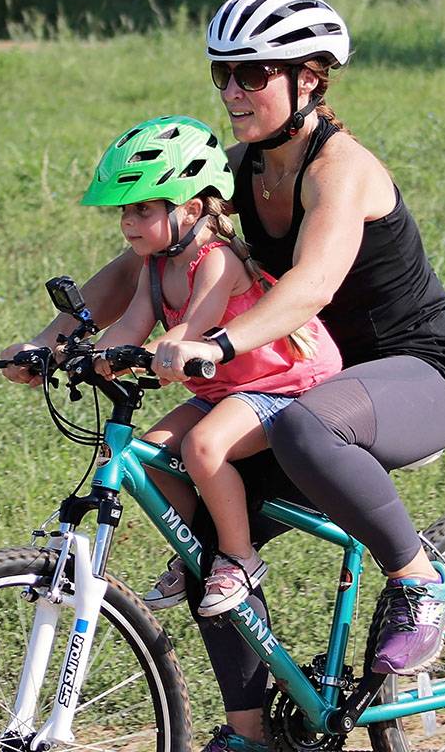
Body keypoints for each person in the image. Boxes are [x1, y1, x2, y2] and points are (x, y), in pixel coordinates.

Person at [1, 0, 445, 749]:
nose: (231, 91)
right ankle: (251, 733)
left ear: (309, 78)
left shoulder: (341, 169)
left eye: (252, 73)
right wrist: (52, 337)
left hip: (417, 373)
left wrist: (215, 345)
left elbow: (311, 286)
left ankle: (420, 580)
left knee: (307, 428)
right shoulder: (236, 171)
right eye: (222, 73)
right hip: (312, 386)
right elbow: (135, 269)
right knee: (202, 541)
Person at [83, 115, 343, 617]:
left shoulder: (217, 260)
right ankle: (199, 550)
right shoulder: (156, 266)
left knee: (203, 447)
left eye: (142, 209)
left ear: (191, 209)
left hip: (283, 385)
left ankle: (240, 558)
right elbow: (131, 325)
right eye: (124, 212)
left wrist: (164, 350)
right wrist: (85, 355)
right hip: (225, 389)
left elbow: (194, 329)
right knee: (148, 455)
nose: (128, 222)